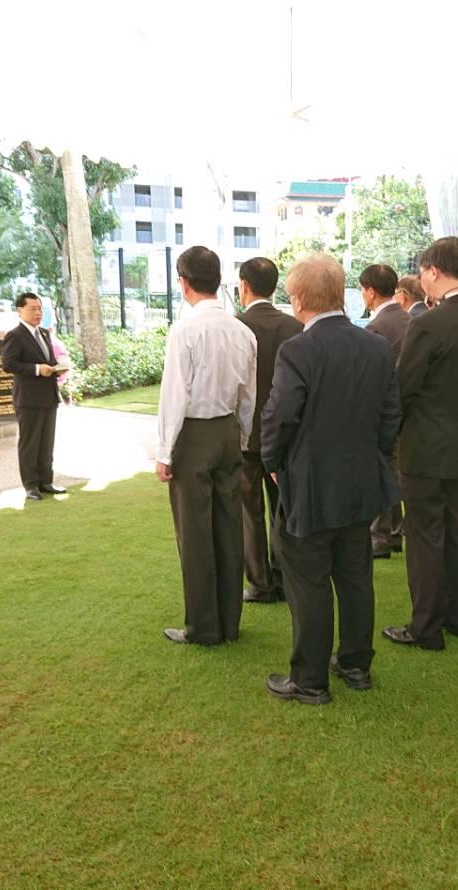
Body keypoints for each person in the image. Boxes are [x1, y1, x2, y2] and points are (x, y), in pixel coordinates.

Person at [261, 253, 401, 704]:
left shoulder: (299, 350)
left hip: (311, 484)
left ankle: (310, 679)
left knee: (308, 581)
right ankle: (356, 664)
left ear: (298, 298)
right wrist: (371, 458)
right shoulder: (375, 345)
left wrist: (273, 463)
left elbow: (279, 417)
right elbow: (390, 416)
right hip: (359, 483)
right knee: (355, 575)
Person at [384, 237, 458, 649]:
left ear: (432, 271)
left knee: (426, 536)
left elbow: (403, 387)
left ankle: (426, 626)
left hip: (427, 447)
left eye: (422, 274)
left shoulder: (428, 323)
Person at [156, 246, 258, 646]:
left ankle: (202, 626)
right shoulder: (242, 331)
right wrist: (244, 438)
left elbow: (174, 396)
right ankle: (228, 622)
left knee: (196, 534)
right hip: (229, 432)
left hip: (196, 435)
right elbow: (249, 396)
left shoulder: (185, 330)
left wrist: (165, 453)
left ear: (183, 283)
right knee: (229, 527)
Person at [236, 257, 303, 605]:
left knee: (250, 512)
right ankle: (286, 575)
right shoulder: (294, 326)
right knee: (285, 508)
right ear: (275, 287)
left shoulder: (236, 327)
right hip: (287, 436)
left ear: (244, 286)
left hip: (247, 436)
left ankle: (260, 583)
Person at [361, 263, 410, 559]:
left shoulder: (377, 327)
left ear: (369, 291)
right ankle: (392, 532)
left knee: (382, 471)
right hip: (410, 409)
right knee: (395, 470)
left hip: (386, 410)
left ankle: (380, 536)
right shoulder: (411, 319)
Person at [0, 293, 66, 500]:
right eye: (33, 309)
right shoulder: (15, 335)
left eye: (40, 309)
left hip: (49, 396)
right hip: (28, 399)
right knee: (30, 443)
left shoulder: (45, 334)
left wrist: (56, 369)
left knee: (47, 442)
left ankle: (46, 481)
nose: (38, 313)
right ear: (20, 310)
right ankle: (31, 485)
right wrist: (38, 369)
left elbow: (50, 359)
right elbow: (8, 364)